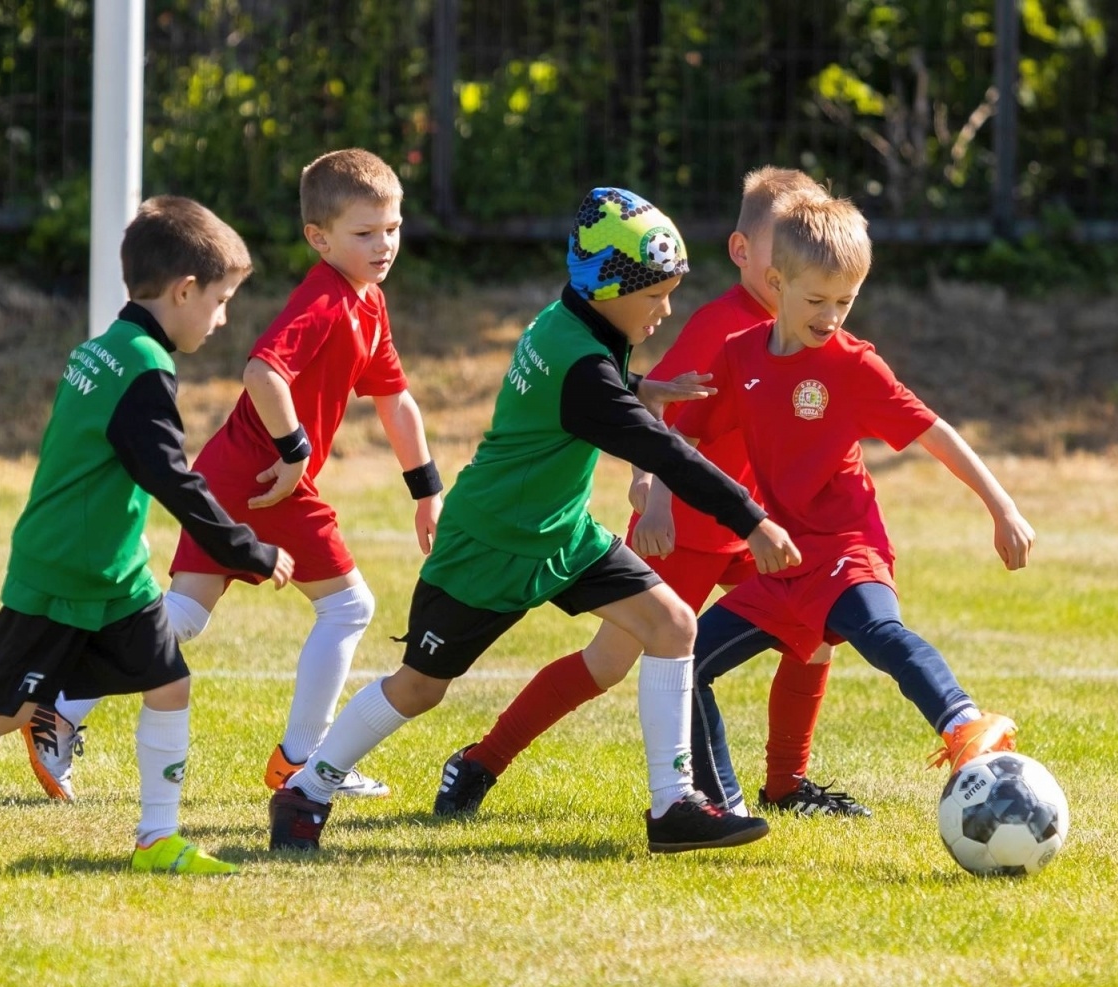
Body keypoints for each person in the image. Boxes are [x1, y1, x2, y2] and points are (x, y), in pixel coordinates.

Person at [268, 187, 801, 855]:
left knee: (672, 624)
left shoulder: (572, 321)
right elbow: (658, 447)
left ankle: (674, 806)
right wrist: (752, 519)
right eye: (655, 295)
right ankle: (307, 790)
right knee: (419, 687)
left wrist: (640, 387)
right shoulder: (584, 364)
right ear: (607, 285)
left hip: (561, 535)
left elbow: (588, 389)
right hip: (487, 545)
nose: (666, 310)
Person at [0, 196, 295, 874]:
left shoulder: (104, 346)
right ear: (184, 290)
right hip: (61, 575)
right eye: (222, 300)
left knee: (169, 682)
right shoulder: (142, 371)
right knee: (1, 709)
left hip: (112, 573)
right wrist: (247, 551)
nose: (223, 317)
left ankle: (156, 838)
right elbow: (175, 481)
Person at [432, 167, 867, 821]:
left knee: (814, 634)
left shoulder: (805, 326)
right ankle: (479, 760)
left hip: (749, 527)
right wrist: (651, 492)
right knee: (607, 662)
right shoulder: (721, 325)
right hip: (684, 527)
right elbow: (649, 410)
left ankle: (787, 783)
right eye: (785, 250)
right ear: (744, 252)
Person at [24, 149, 438, 806]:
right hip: (264, 476)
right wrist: (296, 450)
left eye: (391, 227)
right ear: (318, 238)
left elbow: (395, 399)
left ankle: (61, 707)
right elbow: (262, 373)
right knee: (348, 605)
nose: (383, 243)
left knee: (183, 614)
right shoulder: (326, 299)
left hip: (230, 467)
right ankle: (301, 759)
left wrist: (427, 489)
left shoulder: (368, 302)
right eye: (365, 233)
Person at [660, 190, 1034, 807]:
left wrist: (1003, 506)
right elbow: (686, 428)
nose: (832, 315)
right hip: (784, 565)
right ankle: (723, 805)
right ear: (775, 283)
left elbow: (934, 432)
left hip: (848, 548)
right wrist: (651, 483)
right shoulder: (739, 356)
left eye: (846, 300)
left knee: (879, 631)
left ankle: (965, 725)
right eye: (816, 300)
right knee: (688, 665)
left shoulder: (854, 366)